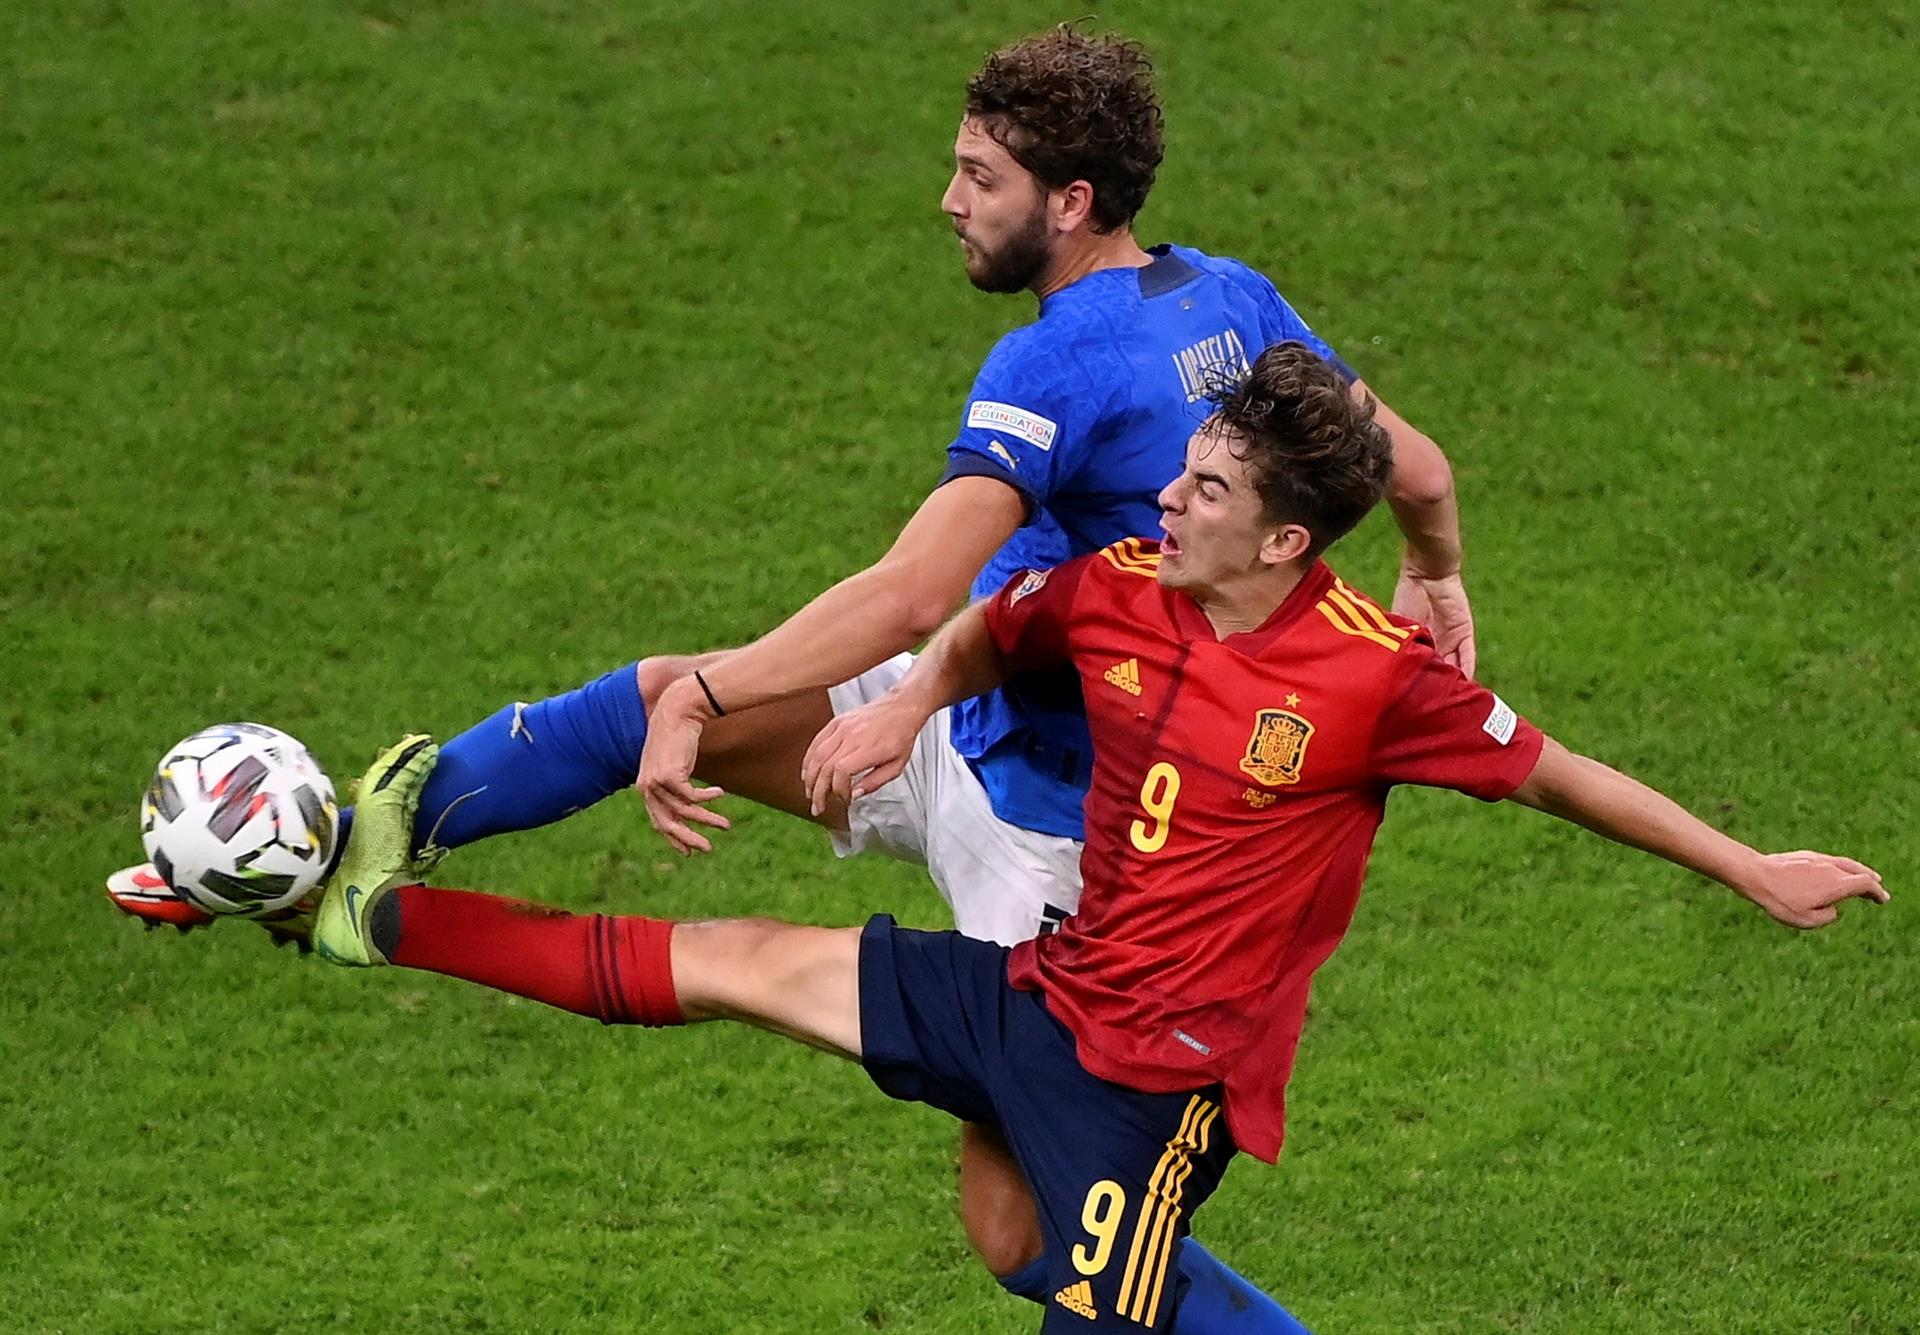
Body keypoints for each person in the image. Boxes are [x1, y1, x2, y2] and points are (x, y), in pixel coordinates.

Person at [111, 27, 1469, 1330]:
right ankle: (350, 855)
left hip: (1068, 844)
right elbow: (1415, 466)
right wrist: (1438, 570)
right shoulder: (1230, 299)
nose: (948, 201)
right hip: (953, 707)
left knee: (1023, 1238)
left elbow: (913, 589)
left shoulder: (1056, 357)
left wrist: (714, 696)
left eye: (981, 178)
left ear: (1070, 201)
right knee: (652, 696)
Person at [305, 343, 1884, 1333]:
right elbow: (990, 629)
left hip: (1157, 1091)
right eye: (1180, 473)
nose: (1166, 500)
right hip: (1038, 992)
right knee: (735, 971)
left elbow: (1559, 777)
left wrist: (1750, 868)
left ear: (1282, 537)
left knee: (1071, 1292)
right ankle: (369, 916)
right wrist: (902, 706)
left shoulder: (1373, 680)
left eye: (1203, 490)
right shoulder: (1125, 585)